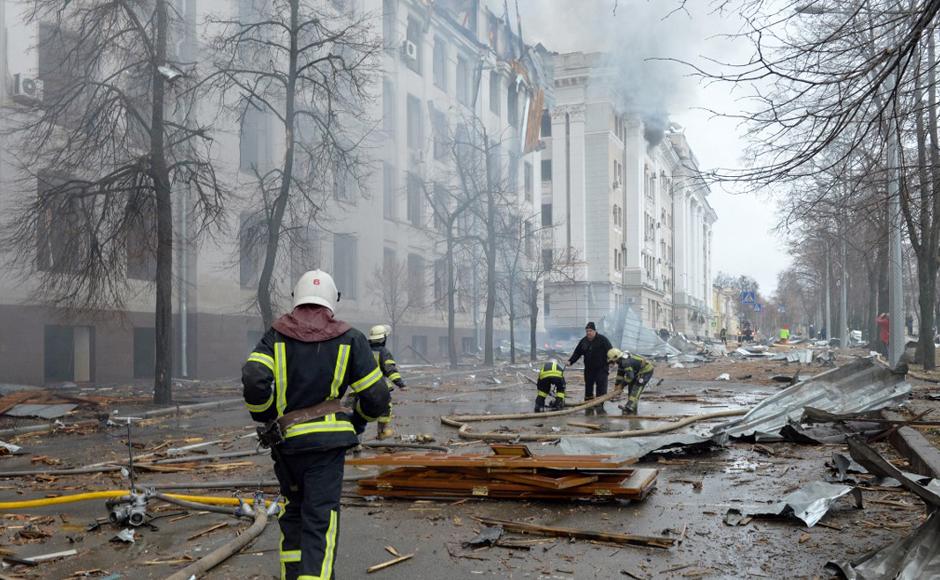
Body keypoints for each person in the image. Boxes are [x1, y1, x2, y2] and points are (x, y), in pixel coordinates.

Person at [243, 270, 390, 580]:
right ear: (331, 301)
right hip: (326, 451)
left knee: (294, 516)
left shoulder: (276, 334)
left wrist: (267, 416)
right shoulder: (351, 338)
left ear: (297, 297)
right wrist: (358, 423)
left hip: (287, 449)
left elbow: (254, 380)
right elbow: (377, 397)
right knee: (320, 522)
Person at [367, 324, 406, 440]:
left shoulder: (364, 350)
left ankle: (356, 440)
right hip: (379, 387)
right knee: (385, 408)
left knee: (358, 412)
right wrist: (400, 384)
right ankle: (381, 432)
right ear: (383, 338)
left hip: (361, 386)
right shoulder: (384, 352)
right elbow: (390, 369)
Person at [567, 322, 613, 415]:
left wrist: (612, 362)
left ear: (595, 331)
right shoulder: (583, 341)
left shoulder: (602, 340)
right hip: (589, 369)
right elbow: (577, 353)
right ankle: (588, 404)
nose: (588, 333)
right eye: (587, 331)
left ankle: (600, 404)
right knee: (588, 387)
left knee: (601, 387)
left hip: (602, 368)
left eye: (590, 331)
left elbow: (611, 351)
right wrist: (570, 361)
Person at [608, 348, 655, 415]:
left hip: (646, 371)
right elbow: (620, 374)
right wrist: (617, 385)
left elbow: (630, 377)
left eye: (612, 361)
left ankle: (629, 407)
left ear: (616, 357)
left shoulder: (625, 362)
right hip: (636, 372)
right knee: (631, 388)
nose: (612, 362)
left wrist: (621, 385)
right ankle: (633, 408)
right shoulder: (621, 360)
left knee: (636, 388)